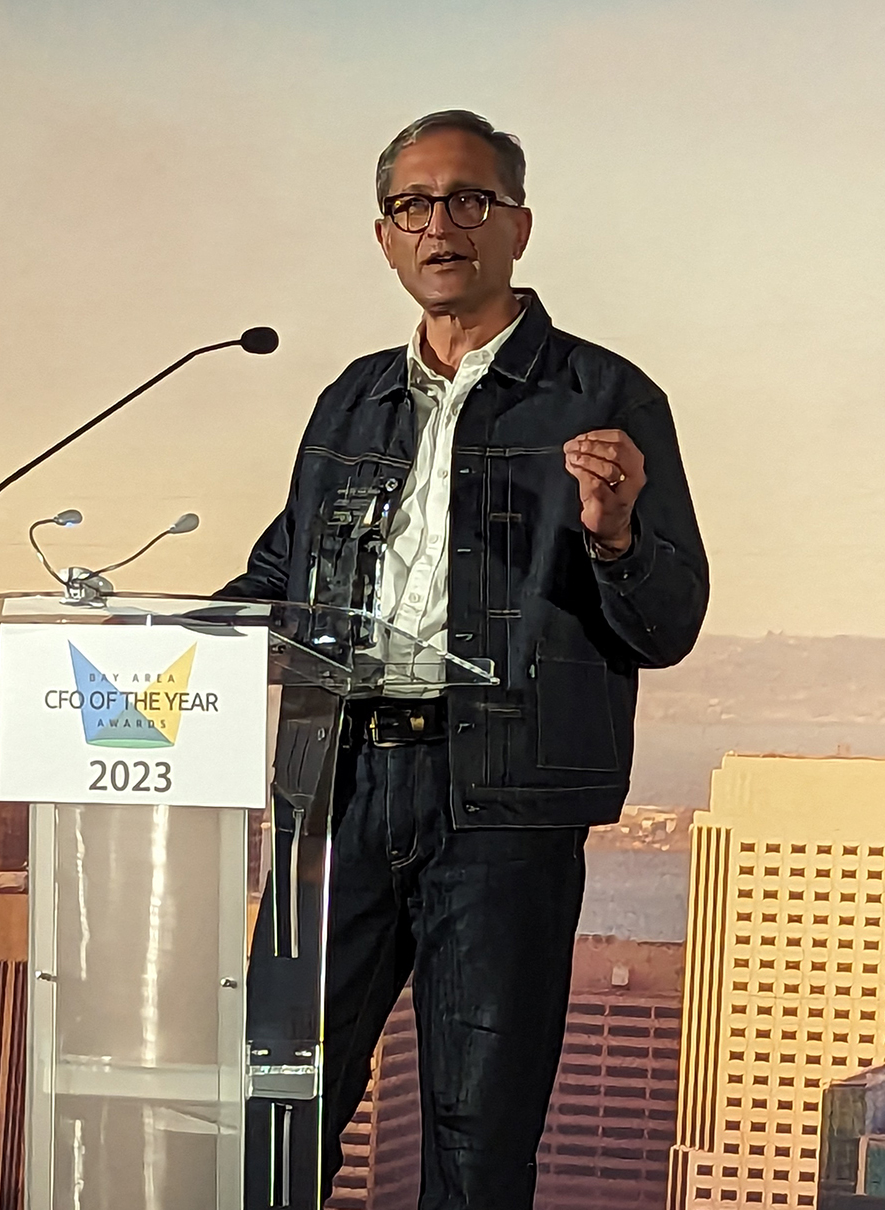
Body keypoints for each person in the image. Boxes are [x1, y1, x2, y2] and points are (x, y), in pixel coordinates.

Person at [222, 109, 707, 1207]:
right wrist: (138, 634)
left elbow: (666, 621)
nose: (440, 223)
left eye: (467, 200)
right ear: (385, 237)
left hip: (502, 807)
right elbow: (280, 582)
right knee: (269, 1108)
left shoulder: (604, 397)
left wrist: (616, 532)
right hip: (334, 792)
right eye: (414, 204)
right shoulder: (352, 397)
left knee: (474, 1144)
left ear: (516, 225)